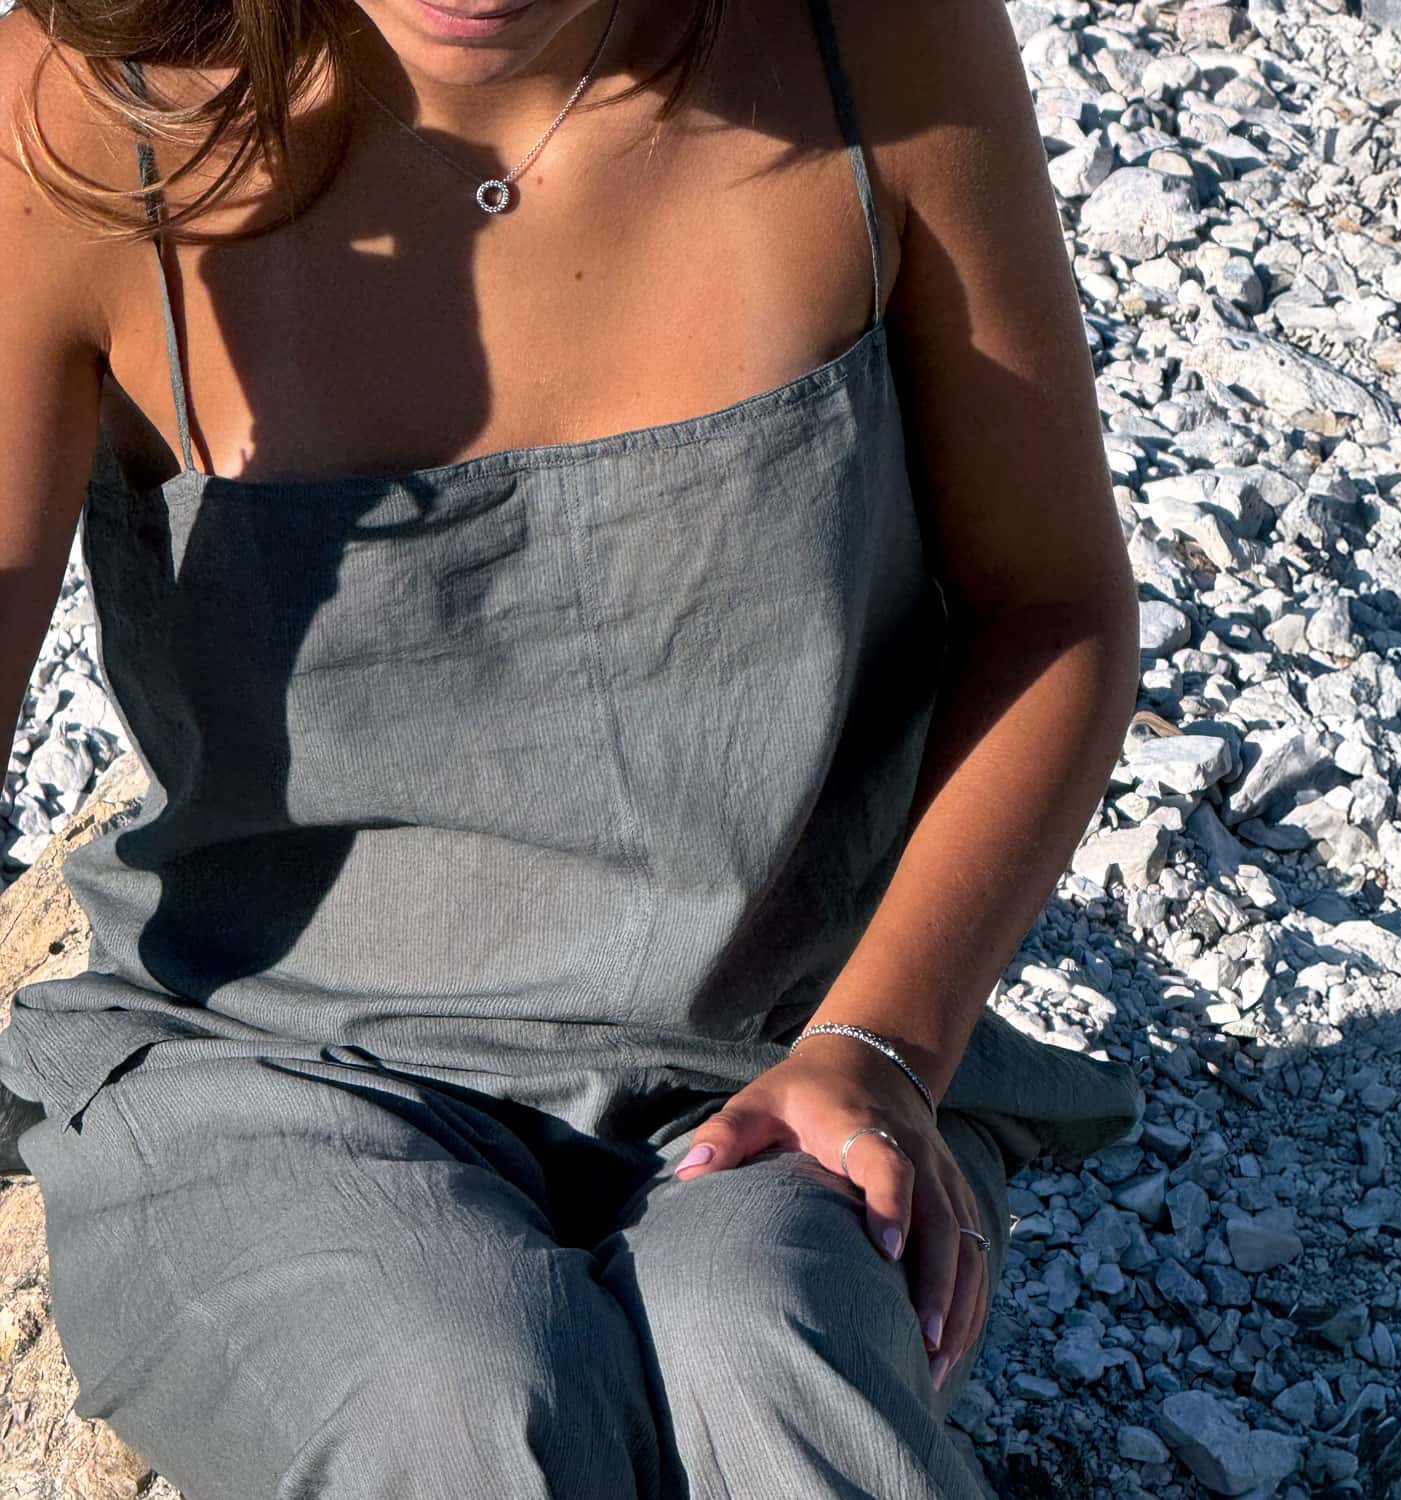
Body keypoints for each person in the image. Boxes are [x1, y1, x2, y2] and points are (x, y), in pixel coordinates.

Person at [0, 0, 1145, 1494]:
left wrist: (883, 1047)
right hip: (269, 1060)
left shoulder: (869, 40)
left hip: (782, 1041)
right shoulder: (98, 108)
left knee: (772, 1352)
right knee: (460, 1398)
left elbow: (1051, 607)